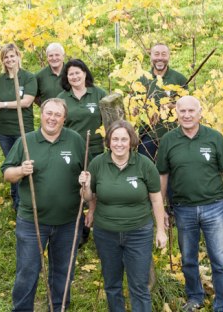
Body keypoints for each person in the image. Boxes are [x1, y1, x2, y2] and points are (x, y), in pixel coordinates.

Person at [1, 98, 86, 311]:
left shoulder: (75, 140)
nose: (52, 118)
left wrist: (87, 182)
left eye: (57, 115)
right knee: (27, 271)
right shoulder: (26, 141)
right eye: (49, 113)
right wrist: (21, 170)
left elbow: (88, 173)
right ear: (41, 114)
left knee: (64, 271)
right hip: (32, 221)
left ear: (64, 119)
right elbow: (7, 173)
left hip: (68, 221)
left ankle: (58, 307)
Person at [155, 96, 223, 312]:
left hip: (214, 207)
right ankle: (195, 297)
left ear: (200, 113)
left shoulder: (214, 138)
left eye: (192, 111)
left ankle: (222, 304)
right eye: (183, 111)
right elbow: (162, 176)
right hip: (183, 209)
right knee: (188, 258)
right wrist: (161, 207)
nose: (187, 115)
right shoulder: (169, 141)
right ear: (177, 114)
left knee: (219, 259)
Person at [79, 120, 167, 312]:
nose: (119, 143)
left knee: (139, 286)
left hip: (138, 233)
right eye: (115, 139)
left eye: (124, 139)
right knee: (112, 285)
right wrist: (84, 186)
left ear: (131, 141)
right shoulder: (98, 163)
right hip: (106, 233)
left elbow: (157, 200)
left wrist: (161, 230)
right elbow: (88, 197)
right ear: (108, 142)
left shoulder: (144, 164)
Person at [0, 43, 37, 210]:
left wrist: (2, 104)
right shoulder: (0, 80)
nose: (9, 59)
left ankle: (24, 201)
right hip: (4, 131)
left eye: (12, 56)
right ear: (3, 60)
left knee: (24, 165)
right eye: (6, 57)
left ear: (18, 57)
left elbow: (26, 102)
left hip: (23, 130)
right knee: (11, 167)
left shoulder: (28, 77)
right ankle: (16, 202)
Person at [137, 43, 188, 162]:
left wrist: (170, 106)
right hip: (147, 135)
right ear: (151, 57)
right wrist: (148, 111)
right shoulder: (143, 78)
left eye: (163, 54)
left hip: (173, 134)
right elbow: (135, 108)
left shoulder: (179, 79)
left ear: (169, 56)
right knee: (146, 169)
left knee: (172, 171)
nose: (160, 58)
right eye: (156, 54)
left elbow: (187, 106)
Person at [57, 58, 107, 160]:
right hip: (71, 148)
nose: (74, 77)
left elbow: (110, 121)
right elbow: (57, 125)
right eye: (71, 74)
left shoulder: (99, 94)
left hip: (95, 150)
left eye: (77, 73)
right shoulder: (61, 98)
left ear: (84, 73)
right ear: (67, 77)